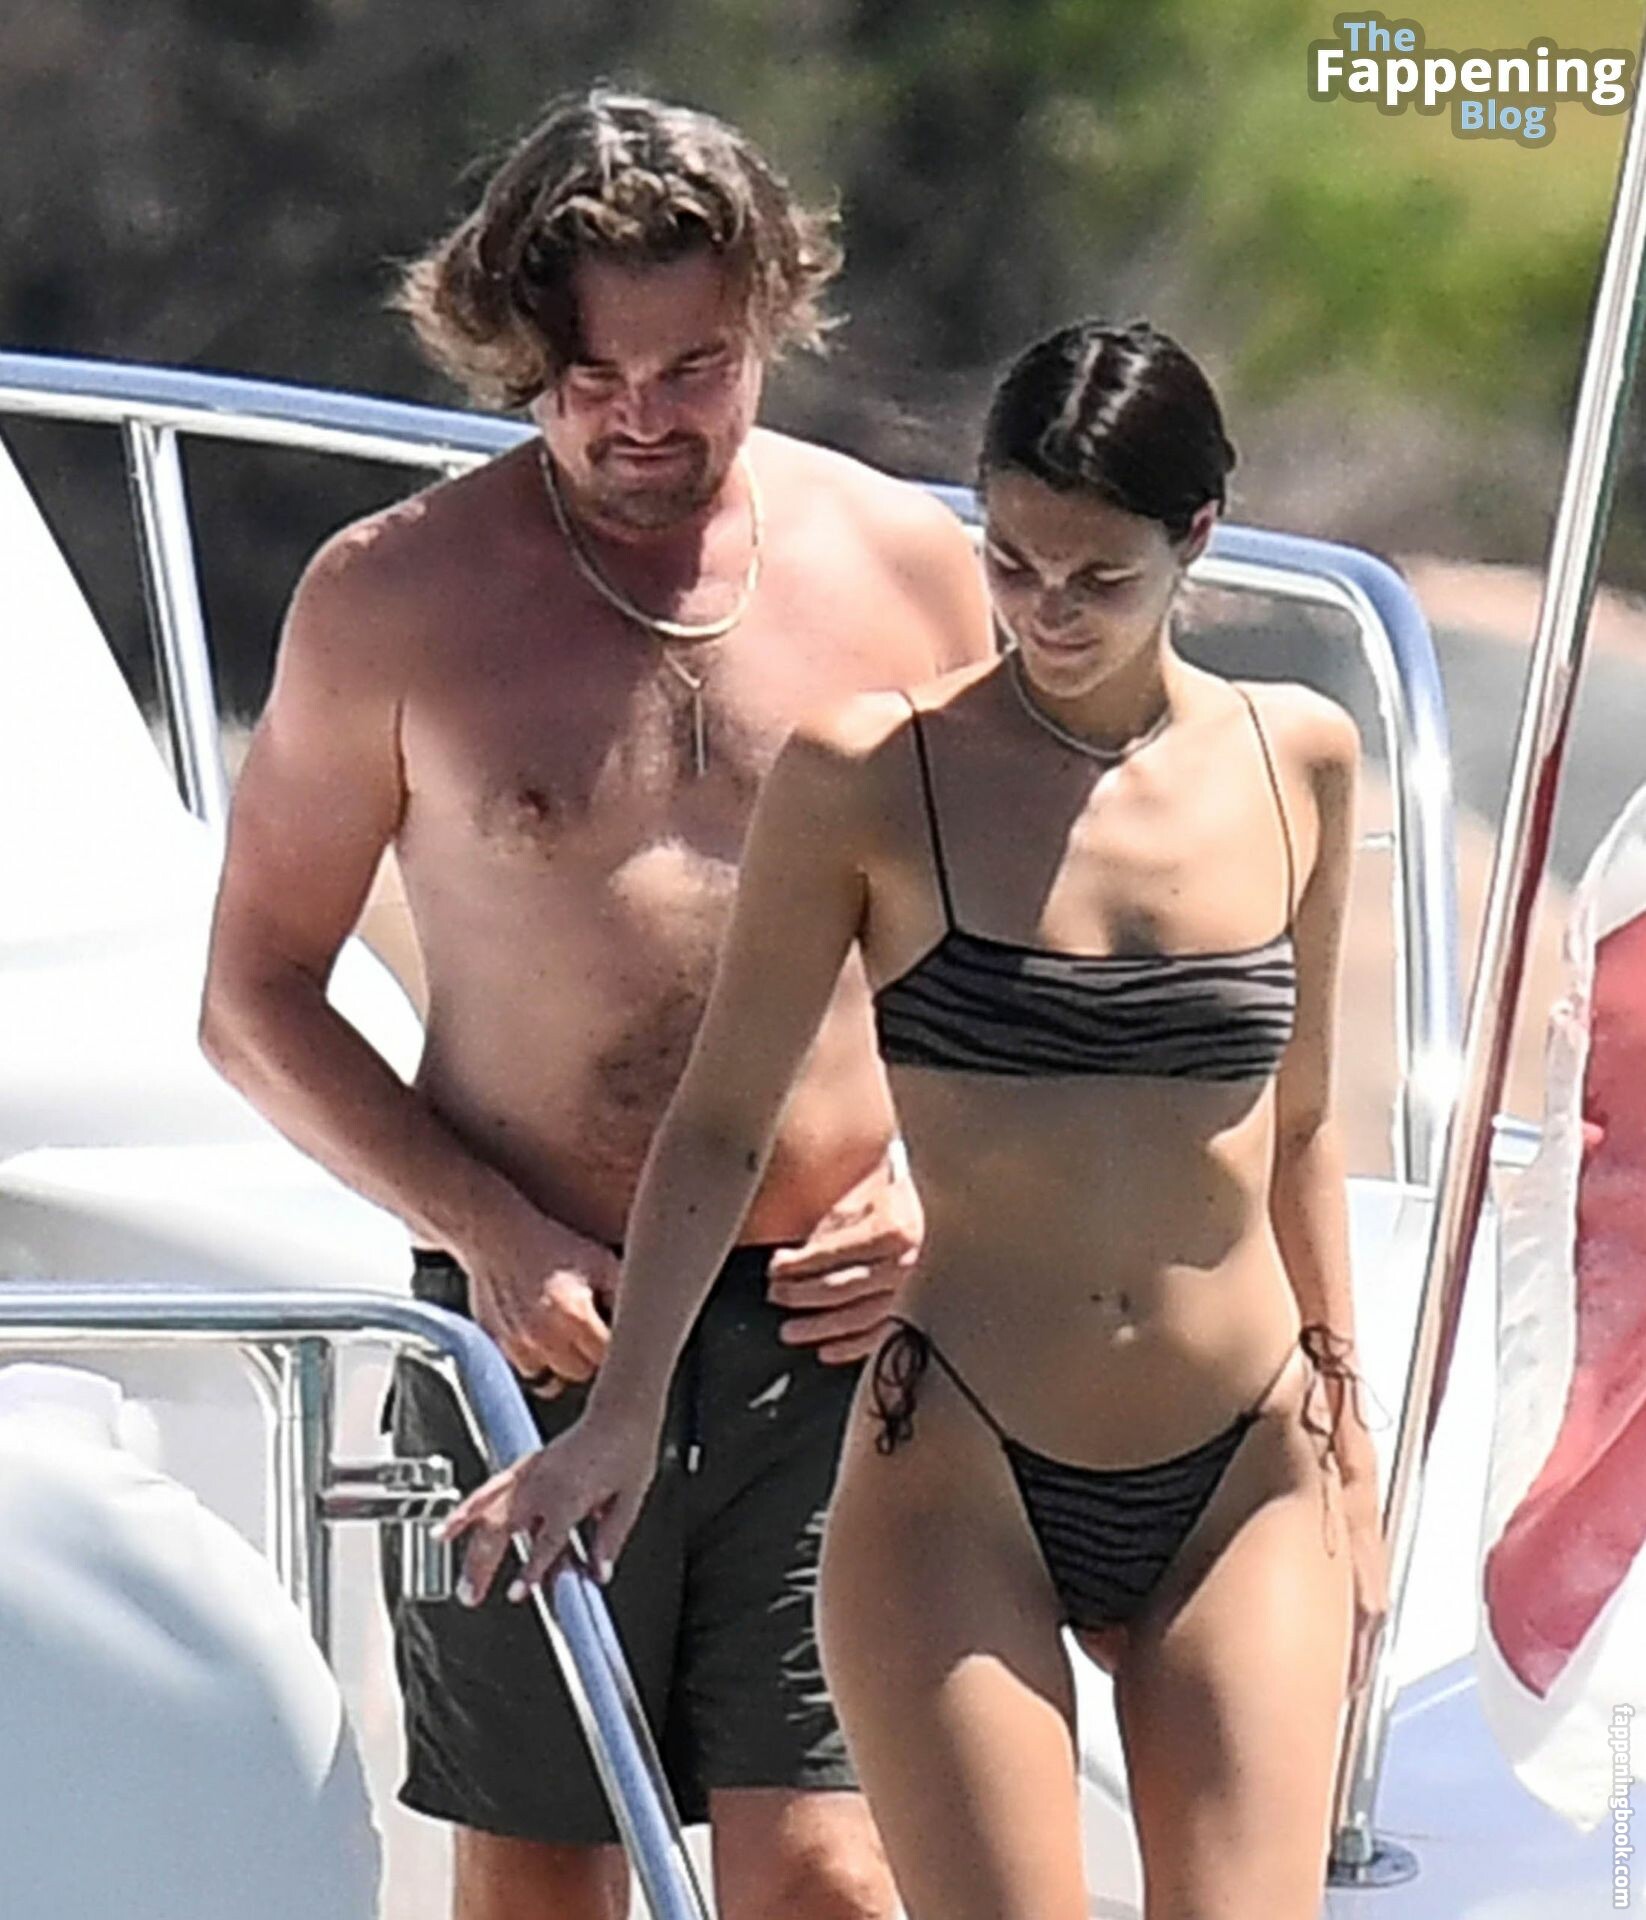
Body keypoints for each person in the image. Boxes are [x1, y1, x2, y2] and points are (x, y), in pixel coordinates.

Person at [444, 319, 1393, 1920]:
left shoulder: (1297, 756)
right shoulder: (872, 774)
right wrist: (620, 1416)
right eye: (1010, 561)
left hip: (1243, 1467)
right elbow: (722, 1121)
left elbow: (1297, 1125)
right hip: (963, 1475)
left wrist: (1350, 1426)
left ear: (1198, 541)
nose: (1045, 610)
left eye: (1096, 577)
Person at [200, 88, 992, 1920]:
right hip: (539, 1331)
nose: (642, 418)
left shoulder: (901, 566)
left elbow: (1031, 935)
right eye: (587, 378)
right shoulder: (388, 598)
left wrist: (942, 1185)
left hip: (837, 1320)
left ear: (770, 322)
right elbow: (252, 995)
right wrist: (483, 1231)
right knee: (543, 1874)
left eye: (692, 367)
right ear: (513, 360)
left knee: (831, 1872)